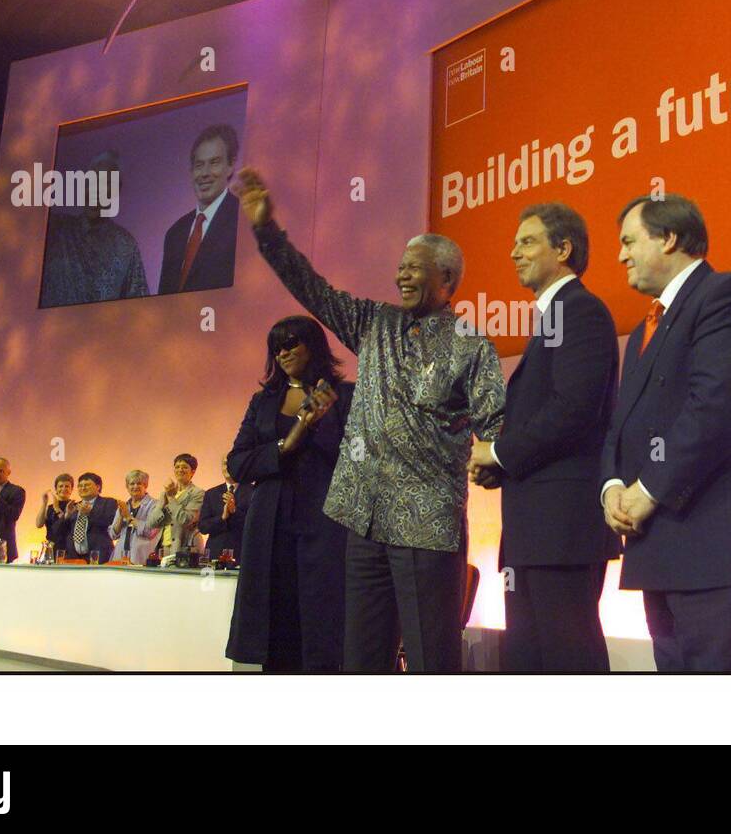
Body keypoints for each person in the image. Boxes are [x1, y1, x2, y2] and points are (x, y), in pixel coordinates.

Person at [237, 168, 505, 672]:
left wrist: (491, 458)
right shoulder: (374, 323)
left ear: (447, 280)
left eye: (416, 268)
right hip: (361, 519)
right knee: (360, 660)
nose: (402, 275)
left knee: (431, 662)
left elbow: (496, 423)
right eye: (400, 266)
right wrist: (267, 231)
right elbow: (311, 289)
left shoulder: (471, 346)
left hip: (427, 527)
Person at [600, 194, 731, 672]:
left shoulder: (727, 296)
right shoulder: (644, 327)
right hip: (661, 551)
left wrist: (648, 490)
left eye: (628, 241)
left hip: (720, 553)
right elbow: (620, 423)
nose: (620, 255)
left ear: (668, 238)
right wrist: (611, 489)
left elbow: (717, 412)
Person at [468, 203, 620, 672]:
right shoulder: (553, 317)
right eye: (514, 243)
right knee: (530, 663)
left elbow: (573, 410)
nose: (514, 252)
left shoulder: (581, 311)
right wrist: (501, 466)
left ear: (564, 249)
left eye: (527, 241)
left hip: (563, 532)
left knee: (568, 662)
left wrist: (497, 451)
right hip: (537, 532)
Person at [226, 316, 354, 671]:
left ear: (313, 345)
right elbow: (237, 462)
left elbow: (358, 458)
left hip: (325, 521)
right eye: (276, 347)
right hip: (270, 523)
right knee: (274, 619)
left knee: (322, 619)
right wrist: (290, 439)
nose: (282, 352)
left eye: (291, 343)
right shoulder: (263, 401)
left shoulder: (344, 396)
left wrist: (318, 428)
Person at [38, 150, 149, 307]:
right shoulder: (56, 229)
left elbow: (139, 308)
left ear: (117, 190)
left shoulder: (126, 245)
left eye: (106, 183)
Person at [157, 124, 241, 295]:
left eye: (214, 163)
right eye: (199, 165)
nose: (205, 173)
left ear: (231, 166)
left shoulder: (243, 221)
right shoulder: (175, 233)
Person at [51, 471, 119, 563]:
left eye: (87, 485)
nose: (83, 488)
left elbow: (109, 524)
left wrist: (89, 514)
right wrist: (66, 516)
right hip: (73, 558)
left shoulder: (108, 503)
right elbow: (55, 532)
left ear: (98, 487)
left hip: (98, 556)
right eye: (80, 485)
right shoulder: (74, 506)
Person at [147, 454, 205, 560]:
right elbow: (151, 523)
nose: (180, 470)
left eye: (184, 467)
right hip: (162, 547)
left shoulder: (197, 493)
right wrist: (161, 505)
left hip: (183, 547)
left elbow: (186, 519)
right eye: (177, 467)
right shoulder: (166, 492)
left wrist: (172, 498)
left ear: (193, 472)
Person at [197, 457, 252, 564]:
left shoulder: (253, 491)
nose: (227, 467)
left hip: (242, 552)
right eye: (224, 464)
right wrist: (222, 517)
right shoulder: (211, 493)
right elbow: (203, 527)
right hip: (215, 553)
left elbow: (257, 525)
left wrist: (235, 511)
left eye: (230, 463)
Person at [109, 470, 160, 564]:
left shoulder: (155, 505)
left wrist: (129, 517)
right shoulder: (124, 505)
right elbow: (113, 534)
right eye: (132, 484)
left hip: (142, 556)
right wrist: (121, 516)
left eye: (139, 483)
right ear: (127, 487)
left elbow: (150, 532)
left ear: (145, 486)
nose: (135, 486)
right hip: (120, 556)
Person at [34, 472, 76, 546]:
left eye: (67, 486)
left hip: (69, 547)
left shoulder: (74, 506)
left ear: (71, 489)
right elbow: (39, 524)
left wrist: (57, 509)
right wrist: (44, 503)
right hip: (51, 546)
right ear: (56, 489)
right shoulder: (49, 508)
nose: (63, 489)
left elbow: (64, 526)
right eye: (60, 486)